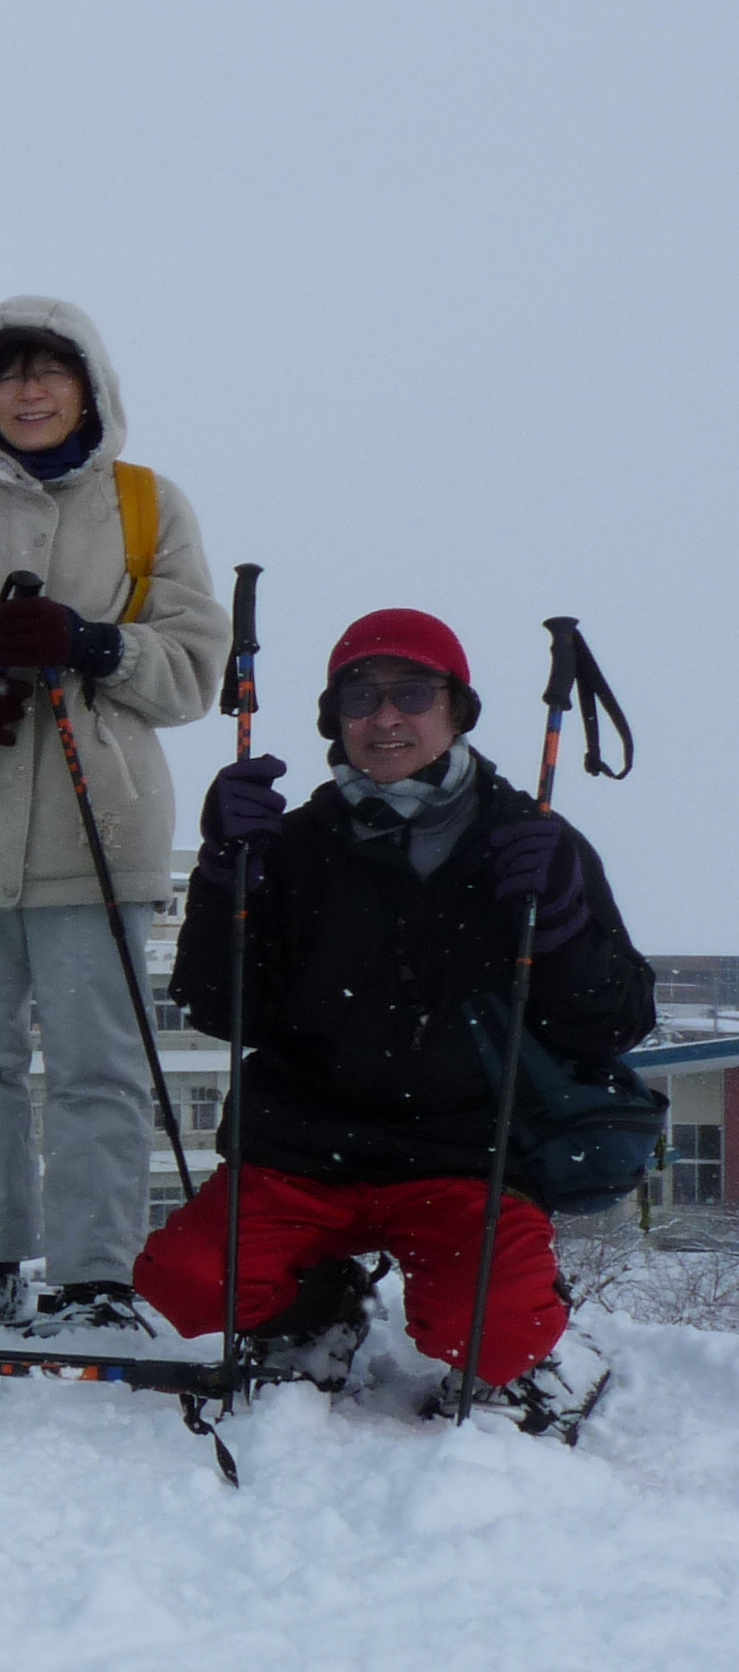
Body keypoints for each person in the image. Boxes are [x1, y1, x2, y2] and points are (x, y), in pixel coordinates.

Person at [132, 611, 651, 1431]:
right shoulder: (292, 843)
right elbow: (222, 1008)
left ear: (457, 710)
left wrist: (560, 921)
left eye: (413, 692)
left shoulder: (535, 843)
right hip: (302, 1148)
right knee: (187, 1281)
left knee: (494, 1332)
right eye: (360, 696)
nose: (386, 716)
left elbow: (616, 1022)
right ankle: (314, 1310)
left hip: (464, 1156)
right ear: (335, 719)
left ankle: (546, 1336)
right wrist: (223, 876)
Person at [0, 298, 230, 1337]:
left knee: (100, 1063)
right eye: (7, 373)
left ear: (88, 387)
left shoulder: (149, 506)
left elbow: (196, 670)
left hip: (97, 831)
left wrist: (97, 646)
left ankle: (95, 1274)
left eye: (48, 371)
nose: (28, 390)